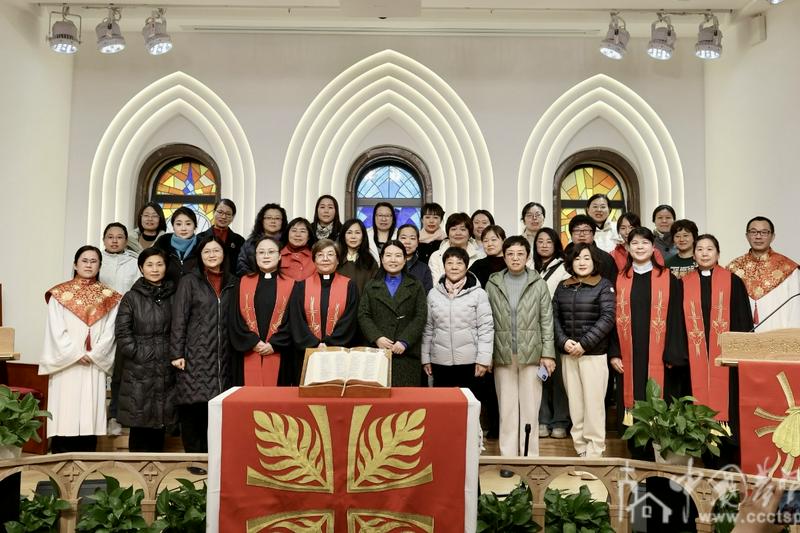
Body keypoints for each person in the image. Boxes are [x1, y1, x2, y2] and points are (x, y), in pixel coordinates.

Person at [39, 246, 122, 453]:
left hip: (93, 362)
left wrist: (95, 354)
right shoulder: (59, 294)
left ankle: (87, 460)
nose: (88, 264)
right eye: (84, 260)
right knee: (64, 409)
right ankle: (60, 455)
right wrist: (75, 354)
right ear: (75, 264)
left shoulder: (110, 297)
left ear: (100, 265)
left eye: (94, 261)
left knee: (89, 409)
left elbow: (111, 331)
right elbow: (55, 329)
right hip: (66, 364)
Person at [682, 234, 753, 467]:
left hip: (725, 361)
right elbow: (675, 322)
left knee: (728, 403)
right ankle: (703, 453)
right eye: (700, 249)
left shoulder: (733, 282)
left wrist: (741, 353)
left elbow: (743, 321)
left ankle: (727, 458)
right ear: (694, 255)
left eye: (709, 249)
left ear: (718, 254)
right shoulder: (683, 283)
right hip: (695, 360)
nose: (704, 253)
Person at [613, 227, 688, 437]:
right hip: (629, 354)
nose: (639, 247)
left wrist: (673, 353)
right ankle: (635, 453)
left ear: (653, 247)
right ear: (627, 248)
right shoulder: (619, 279)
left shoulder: (669, 279)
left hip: (660, 354)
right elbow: (611, 319)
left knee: (659, 396)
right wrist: (614, 353)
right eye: (635, 243)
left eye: (644, 243)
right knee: (633, 396)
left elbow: (676, 319)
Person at [485, 236, 556, 457]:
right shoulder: (493, 283)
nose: (515, 258)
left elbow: (547, 320)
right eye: (510, 254)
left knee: (530, 410)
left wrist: (548, 354)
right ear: (504, 256)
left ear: (527, 256)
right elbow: (485, 322)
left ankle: (529, 457)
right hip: (502, 354)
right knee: (506, 410)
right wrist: (486, 356)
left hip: (532, 355)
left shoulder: (538, 283)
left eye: (520, 254)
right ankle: (508, 458)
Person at [170, 236, 235, 453]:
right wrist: (177, 352)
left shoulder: (233, 282)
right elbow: (179, 317)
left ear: (224, 254)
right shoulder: (190, 281)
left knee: (217, 409)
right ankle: (195, 457)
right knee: (193, 407)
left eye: (216, 251)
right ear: (200, 256)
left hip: (223, 355)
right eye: (206, 252)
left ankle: (213, 458)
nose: (211, 255)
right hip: (194, 353)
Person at [552, 243, 617, 457]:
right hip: (568, 354)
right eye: (577, 258)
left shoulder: (604, 285)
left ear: (594, 261)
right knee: (576, 406)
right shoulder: (563, 287)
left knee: (593, 406)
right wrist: (564, 342)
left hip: (593, 356)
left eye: (586, 258)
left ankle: (595, 452)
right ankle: (580, 449)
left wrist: (584, 344)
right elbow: (553, 318)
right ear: (570, 262)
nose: (582, 262)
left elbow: (607, 318)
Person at [114, 248, 177, 452]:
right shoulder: (131, 298)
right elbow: (123, 334)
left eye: (159, 264)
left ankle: (155, 477)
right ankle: (136, 475)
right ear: (141, 268)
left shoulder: (174, 295)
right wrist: (140, 354)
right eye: (149, 265)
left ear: (166, 267)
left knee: (160, 419)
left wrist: (170, 355)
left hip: (166, 368)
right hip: (138, 369)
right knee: (139, 419)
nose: (155, 269)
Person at [285, 239, 359, 384]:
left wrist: (330, 343)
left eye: (330, 254)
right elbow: (296, 319)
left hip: (340, 352)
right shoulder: (301, 287)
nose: (325, 259)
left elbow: (350, 319)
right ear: (314, 260)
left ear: (338, 260)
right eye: (320, 255)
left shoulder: (350, 286)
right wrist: (314, 344)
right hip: (307, 352)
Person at [421, 247, 494, 394]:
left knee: (469, 408)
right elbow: (428, 328)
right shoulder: (433, 294)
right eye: (449, 263)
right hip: (440, 362)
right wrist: (426, 358)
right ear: (444, 266)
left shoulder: (478, 293)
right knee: (443, 407)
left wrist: (483, 360)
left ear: (466, 266)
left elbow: (486, 328)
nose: (454, 267)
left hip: (470, 362)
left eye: (459, 263)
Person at [359, 240, 428, 387]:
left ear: (404, 259)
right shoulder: (371, 285)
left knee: (406, 405)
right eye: (388, 255)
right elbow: (363, 315)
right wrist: (377, 337)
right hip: (377, 353)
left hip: (406, 355)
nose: (393, 260)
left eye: (398, 255)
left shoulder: (415, 285)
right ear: (382, 259)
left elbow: (420, 315)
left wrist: (405, 340)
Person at [228, 237, 295, 387]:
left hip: (280, 353)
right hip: (248, 351)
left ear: (279, 257)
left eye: (271, 252)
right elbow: (235, 319)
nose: (266, 256)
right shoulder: (242, 283)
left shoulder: (292, 286)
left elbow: (294, 320)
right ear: (255, 256)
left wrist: (274, 344)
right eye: (261, 252)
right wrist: (253, 342)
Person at [99, 222, 140, 435]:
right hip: (98, 323)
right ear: (104, 239)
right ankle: (96, 417)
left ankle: (116, 416)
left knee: (120, 373)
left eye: (119, 237)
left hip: (125, 323)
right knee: (97, 371)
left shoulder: (134, 263)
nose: (115, 240)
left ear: (126, 240)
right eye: (110, 236)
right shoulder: (95, 260)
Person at [531, 227, 571, 439]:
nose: (544, 245)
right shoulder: (530, 267)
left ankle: (560, 421)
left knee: (558, 379)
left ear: (556, 244)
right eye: (540, 241)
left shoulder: (565, 268)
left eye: (549, 241)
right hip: (532, 330)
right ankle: (542, 419)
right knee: (538, 377)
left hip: (557, 327)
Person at [467, 224, 506, 439]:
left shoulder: (510, 263)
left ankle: (504, 425)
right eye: (486, 240)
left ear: (503, 240)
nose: (490, 243)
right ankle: (489, 425)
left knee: (504, 380)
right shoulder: (477, 266)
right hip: (481, 326)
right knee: (485, 381)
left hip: (505, 327)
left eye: (494, 239)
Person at [727, 216, 800, 330]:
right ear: (747, 236)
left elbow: (796, 309)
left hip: (779, 335)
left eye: (764, 232)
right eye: (753, 232)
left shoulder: (788, 268)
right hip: (742, 336)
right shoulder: (734, 268)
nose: (758, 236)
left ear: (773, 236)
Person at [428, 212, 486, 283]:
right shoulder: (436, 257)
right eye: (453, 229)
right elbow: (436, 284)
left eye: (463, 229)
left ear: (469, 233)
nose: (458, 233)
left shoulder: (481, 256)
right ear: (448, 232)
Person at [237, 203, 288, 275]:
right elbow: (242, 267)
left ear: (283, 221)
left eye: (277, 218)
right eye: (269, 218)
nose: (273, 221)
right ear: (262, 220)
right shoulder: (250, 243)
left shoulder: (288, 243)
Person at [197, 199, 245, 275]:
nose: (223, 217)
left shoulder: (239, 241)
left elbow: (242, 266)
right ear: (213, 212)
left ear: (233, 217)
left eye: (228, 214)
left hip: (231, 282)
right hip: (204, 281)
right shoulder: (200, 238)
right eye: (220, 212)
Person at [565, 215, 618, 283]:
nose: (581, 234)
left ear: (593, 234)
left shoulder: (605, 258)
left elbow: (611, 284)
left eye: (586, 230)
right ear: (571, 235)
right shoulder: (563, 257)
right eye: (577, 230)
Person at [154, 207, 200, 282]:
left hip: (195, 292)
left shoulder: (203, 245)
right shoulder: (163, 242)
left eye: (188, 224)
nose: (183, 228)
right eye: (178, 224)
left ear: (195, 226)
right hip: (167, 292)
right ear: (173, 226)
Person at [337, 218, 379, 295]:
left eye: (357, 233)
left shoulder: (370, 262)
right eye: (349, 232)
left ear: (363, 236)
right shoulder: (335, 260)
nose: (353, 236)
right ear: (343, 236)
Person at [397, 223, 434, 293]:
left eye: (412, 238)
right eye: (403, 238)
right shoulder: (388, 265)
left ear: (417, 242)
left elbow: (428, 295)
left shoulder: (424, 269)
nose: (407, 242)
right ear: (397, 241)